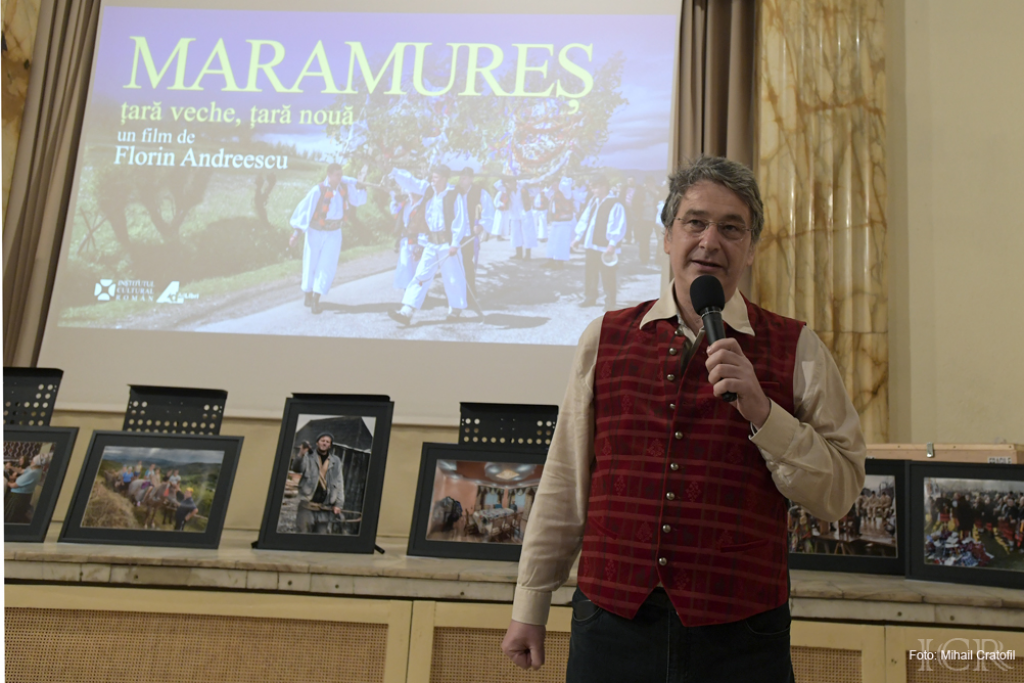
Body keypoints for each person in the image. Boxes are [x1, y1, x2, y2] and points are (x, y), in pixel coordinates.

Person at [501, 156, 866, 682]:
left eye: (731, 228)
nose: (709, 241)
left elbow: (840, 492)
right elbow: (565, 481)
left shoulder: (799, 348)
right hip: (610, 627)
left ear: (751, 248)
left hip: (741, 637)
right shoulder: (604, 337)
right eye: (695, 222)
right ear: (668, 236)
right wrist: (530, 604)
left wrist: (765, 413)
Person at [388, 165, 469, 325]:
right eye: (433, 177)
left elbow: (460, 219)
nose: (433, 179)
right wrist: (395, 172)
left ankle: (456, 309)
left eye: (436, 177)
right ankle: (407, 311)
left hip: (447, 244)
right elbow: (412, 182)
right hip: (431, 244)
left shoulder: (454, 194)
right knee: (420, 275)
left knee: (452, 277)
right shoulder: (429, 190)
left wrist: (455, 243)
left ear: (444, 179)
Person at [289, 163, 368, 314]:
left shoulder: (344, 188)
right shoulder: (318, 190)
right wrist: (296, 234)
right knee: (311, 263)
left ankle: (316, 299)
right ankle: (308, 294)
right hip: (315, 231)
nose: (340, 177)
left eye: (341, 174)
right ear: (329, 175)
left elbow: (358, 200)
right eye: (337, 175)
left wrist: (361, 186)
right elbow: (304, 211)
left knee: (327, 265)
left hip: (334, 232)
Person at [572, 175, 625, 311]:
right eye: (592, 187)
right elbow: (585, 220)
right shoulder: (593, 202)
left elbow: (618, 224)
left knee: (608, 274)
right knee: (590, 272)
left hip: (605, 246)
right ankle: (590, 297)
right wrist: (578, 238)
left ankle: (610, 302)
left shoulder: (615, 204)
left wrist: (612, 243)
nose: (593, 190)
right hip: (591, 244)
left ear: (604, 187)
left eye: (595, 187)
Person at [291, 432, 346, 534]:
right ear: (317, 442)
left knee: (320, 536)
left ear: (330, 445)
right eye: (322, 441)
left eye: (327, 442)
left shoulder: (336, 461)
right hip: (307, 506)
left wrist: (339, 504)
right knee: (302, 534)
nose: (324, 443)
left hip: (325, 509)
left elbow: (339, 483)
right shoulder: (308, 457)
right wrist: (301, 454)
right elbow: (297, 468)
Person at [455, 168, 494, 308]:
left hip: (470, 234)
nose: (461, 181)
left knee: (467, 263)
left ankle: (470, 294)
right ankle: (457, 293)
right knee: (456, 264)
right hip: (456, 234)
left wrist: (481, 226)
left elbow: (488, 211)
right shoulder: (455, 192)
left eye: (465, 178)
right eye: (461, 178)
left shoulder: (480, 192)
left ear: (471, 179)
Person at [5, 453, 49, 523]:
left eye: (33, 461)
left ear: (37, 463)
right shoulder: (33, 468)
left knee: (11, 515)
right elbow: (21, 471)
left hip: (19, 497)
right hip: (20, 495)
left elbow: (14, 485)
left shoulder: (33, 473)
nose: (31, 461)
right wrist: (10, 467)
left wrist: (5, 481)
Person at [545, 178, 576, 269]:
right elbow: (547, 193)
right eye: (553, 185)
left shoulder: (566, 193)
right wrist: (552, 185)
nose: (553, 187)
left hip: (564, 221)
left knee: (561, 242)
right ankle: (550, 260)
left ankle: (559, 263)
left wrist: (560, 177)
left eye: (555, 185)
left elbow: (565, 185)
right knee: (552, 242)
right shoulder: (554, 194)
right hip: (556, 221)